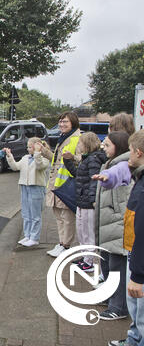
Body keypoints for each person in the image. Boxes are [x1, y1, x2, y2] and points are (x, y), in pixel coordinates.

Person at [107, 130, 144, 346]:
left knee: (140, 310)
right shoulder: (139, 174)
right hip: (135, 252)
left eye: (130, 151)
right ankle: (133, 339)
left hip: (139, 258)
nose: (128, 156)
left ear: (138, 152)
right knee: (136, 310)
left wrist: (138, 275)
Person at [90, 132, 132, 321]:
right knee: (108, 263)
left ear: (119, 145)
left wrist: (106, 176)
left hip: (117, 224)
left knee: (117, 266)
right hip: (109, 224)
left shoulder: (122, 164)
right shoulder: (111, 162)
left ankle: (119, 307)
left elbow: (115, 175)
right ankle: (111, 298)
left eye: (107, 145)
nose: (103, 148)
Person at [62, 132, 105, 268]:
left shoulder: (93, 159)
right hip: (82, 200)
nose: (78, 145)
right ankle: (86, 257)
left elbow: (94, 180)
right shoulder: (87, 158)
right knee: (82, 230)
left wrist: (92, 200)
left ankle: (89, 261)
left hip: (88, 202)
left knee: (88, 232)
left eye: (80, 143)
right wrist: (68, 160)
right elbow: (77, 174)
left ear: (87, 144)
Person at [42, 111, 81, 258]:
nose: (62, 124)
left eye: (65, 122)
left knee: (67, 218)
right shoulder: (63, 138)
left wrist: (74, 157)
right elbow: (57, 160)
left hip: (67, 186)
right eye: (60, 121)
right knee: (59, 218)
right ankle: (61, 243)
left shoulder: (77, 138)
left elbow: (81, 159)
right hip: (56, 184)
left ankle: (66, 245)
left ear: (73, 123)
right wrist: (46, 151)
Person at [5, 138, 50, 247]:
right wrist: (9, 156)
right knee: (26, 213)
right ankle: (27, 235)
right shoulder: (25, 157)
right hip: (25, 187)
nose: (27, 149)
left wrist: (38, 153)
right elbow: (15, 167)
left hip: (36, 187)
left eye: (30, 147)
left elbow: (39, 166)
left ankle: (34, 238)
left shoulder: (44, 159)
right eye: (28, 147)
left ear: (36, 148)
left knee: (35, 214)